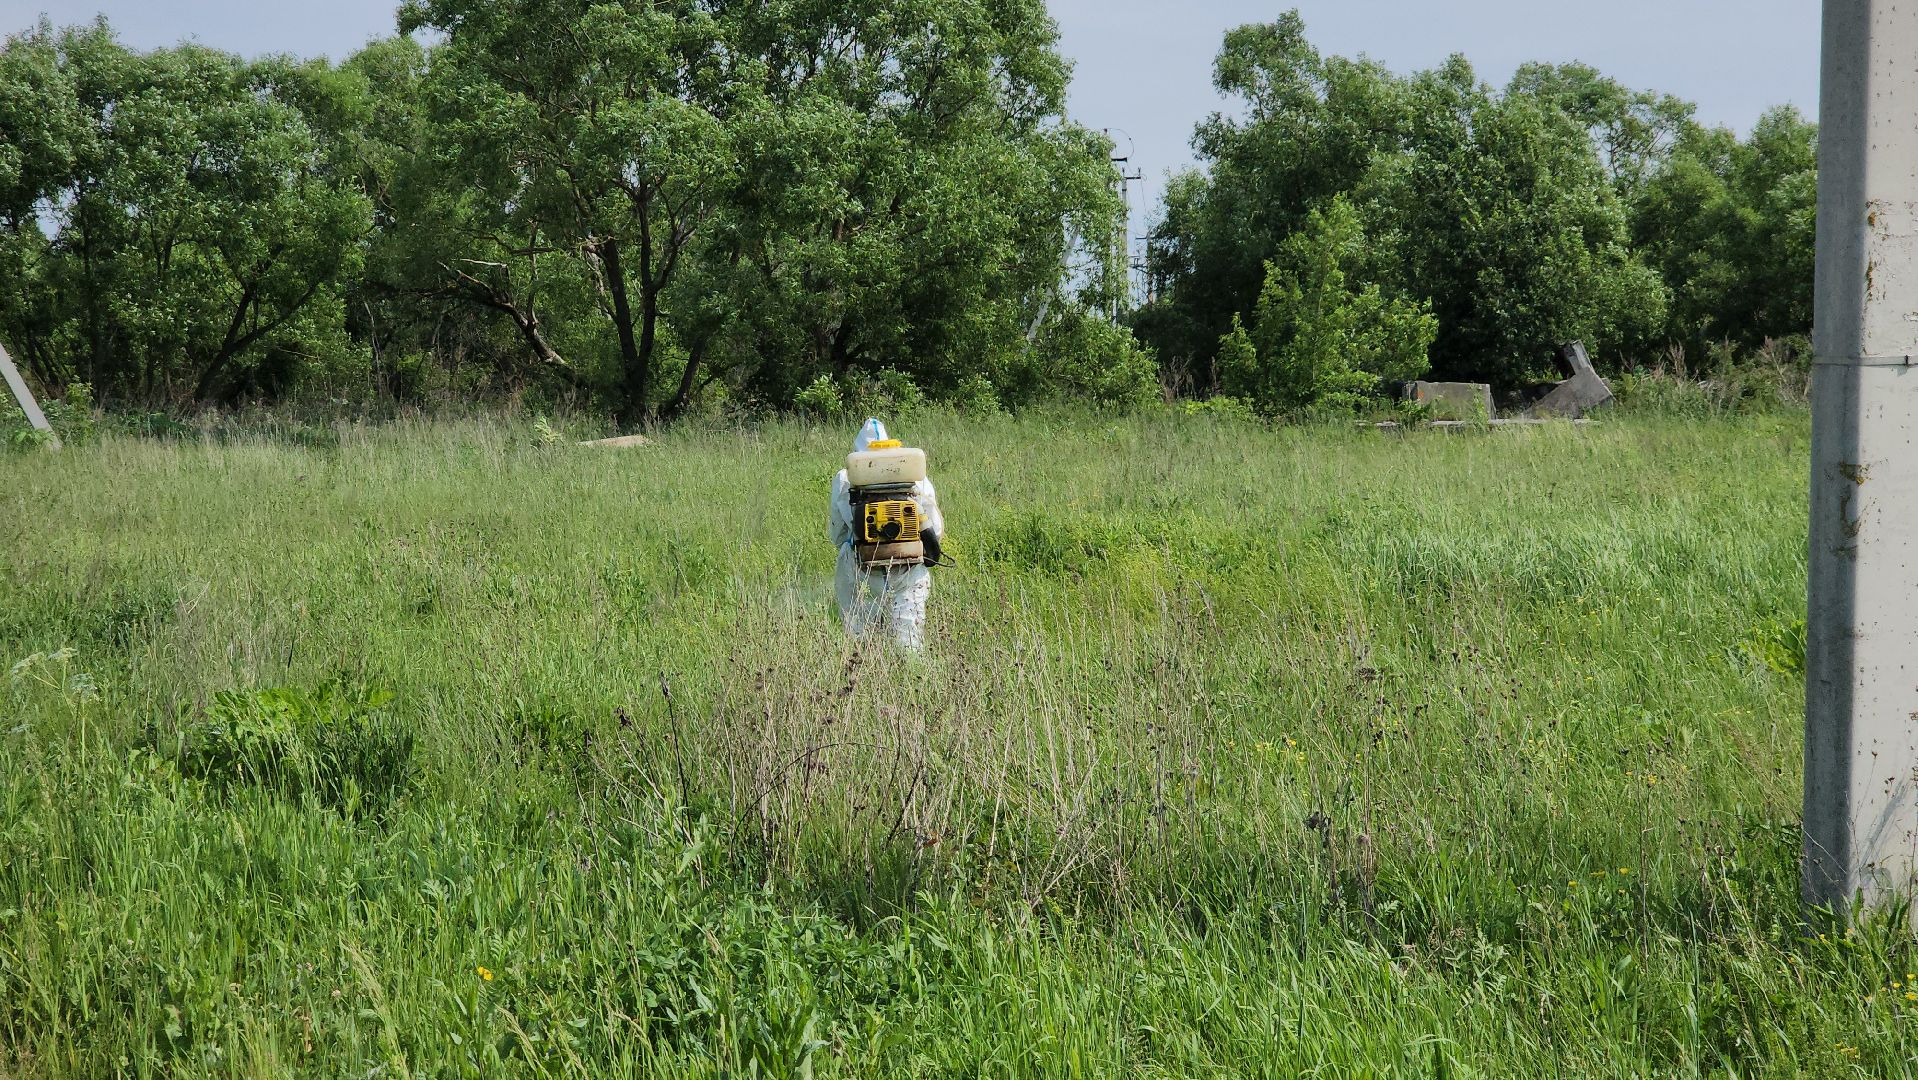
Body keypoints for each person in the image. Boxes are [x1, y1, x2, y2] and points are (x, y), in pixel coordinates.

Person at [830, 418, 944, 650]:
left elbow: (837, 534)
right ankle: (909, 666)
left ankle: (866, 664)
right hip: (909, 567)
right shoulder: (916, 475)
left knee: (861, 635)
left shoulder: (845, 478)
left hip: (862, 568)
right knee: (908, 637)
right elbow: (936, 530)